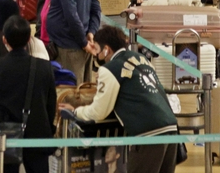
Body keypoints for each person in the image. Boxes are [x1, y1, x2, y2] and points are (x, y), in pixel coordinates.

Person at [64, 26, 180, 173]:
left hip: (148, 133)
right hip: (171, 126)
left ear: (106, 49)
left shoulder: (110, 68)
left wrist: (76, 112)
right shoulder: (142, 58)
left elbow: (98, 111)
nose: (96, 54)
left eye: (97, 49)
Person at [0, 15, 58, 173]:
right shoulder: (44, 67)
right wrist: (49, 130)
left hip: (5, 138)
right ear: (29, 39)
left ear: (4, 40)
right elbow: (51, 105)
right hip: (38, 136)